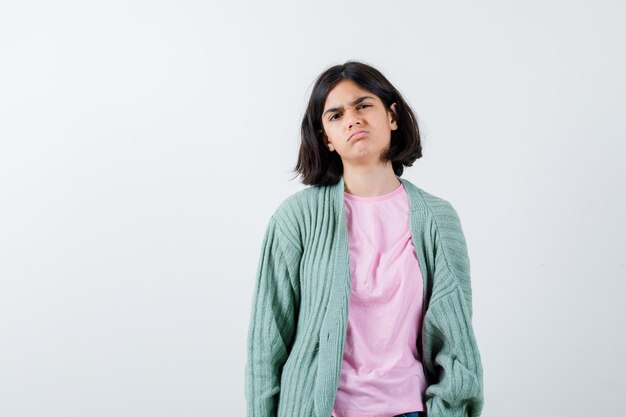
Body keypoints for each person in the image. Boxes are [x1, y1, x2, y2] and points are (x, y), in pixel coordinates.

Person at [245, 60, 484, 417]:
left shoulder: (437, 218)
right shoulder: (296, 218)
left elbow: (456, 345)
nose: (353, 119)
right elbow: (268, 343)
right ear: (326, 138)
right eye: (336, 115)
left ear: (392, 116)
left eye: (363, 105)